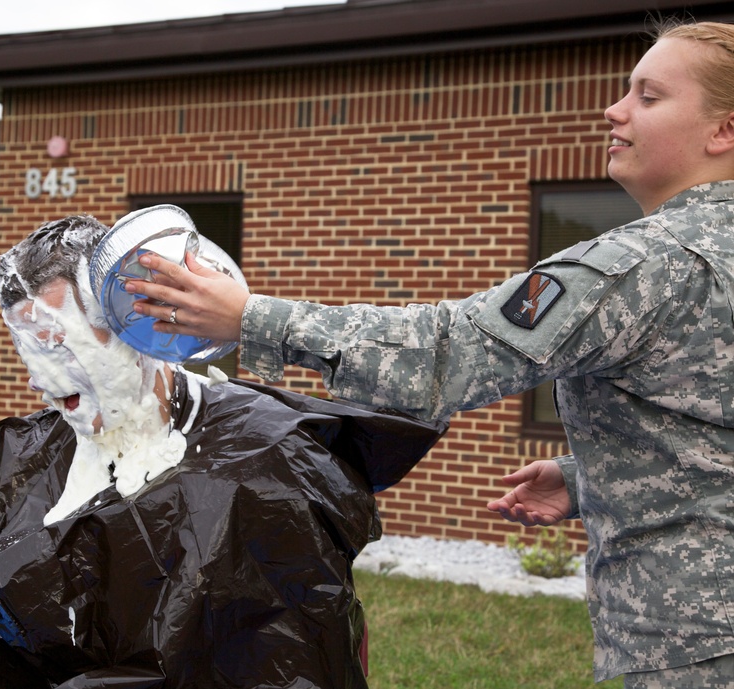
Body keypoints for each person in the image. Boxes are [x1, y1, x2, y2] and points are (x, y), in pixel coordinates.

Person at [123, 19, 734, 688]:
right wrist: (589, 476)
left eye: (648, 96)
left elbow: (446, 352)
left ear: (723, 130)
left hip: (700, 649)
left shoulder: (641, 266)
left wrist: (250, 317)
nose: (614, 109)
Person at [0, 214, 445, 688]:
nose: (41, 382)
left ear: (137, 326)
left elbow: (298, 657)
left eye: (58, 344)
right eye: (27, 349)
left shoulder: (261, 464)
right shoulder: (26, 464)